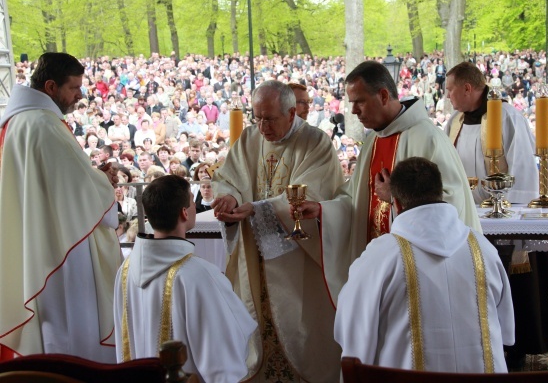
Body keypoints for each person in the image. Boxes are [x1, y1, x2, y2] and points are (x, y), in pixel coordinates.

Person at [297, 60, 480, 305]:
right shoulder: (373, 142)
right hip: (378, 268)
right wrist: (323, 210)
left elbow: (450, 203)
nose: (353, 111)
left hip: (420, 274)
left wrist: (394, 196)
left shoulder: (427, 138)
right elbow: (353, 199)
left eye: (359, 101)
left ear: (383, 95)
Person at [211, 80, 344, 382]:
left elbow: (313, 193)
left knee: (299, 326)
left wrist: (257, 208)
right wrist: (230, 197)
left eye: (269, 118)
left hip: (297, 260)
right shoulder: (248, 140)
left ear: (292, 112)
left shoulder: (316, 143)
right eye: (256, 117)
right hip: (255, 255)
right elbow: (228, 178)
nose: (262, 126)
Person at [334, 157, 514, 372]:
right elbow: (506, 329)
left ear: (397, 202)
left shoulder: (380, 256)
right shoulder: (483, 249)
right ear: (440, 192)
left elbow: (352, 331)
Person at [0, 52, 121, 361]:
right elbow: (79, 189)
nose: (79, 95)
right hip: (61, 247)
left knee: (51, 328)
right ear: (51, 86)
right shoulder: (43, 124)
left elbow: (61, 182)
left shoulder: (22, 121)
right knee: (69, 329)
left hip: (42, 236)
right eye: (73, 88)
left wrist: (94, 177)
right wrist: (104, 182)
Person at [114, 175, 256, 381]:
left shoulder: (125, 269)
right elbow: (224, 356)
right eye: (191, 201)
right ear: (184, 212)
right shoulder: (197, 275)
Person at [444, 61, 538, 205]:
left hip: (501, 211)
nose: (447, 96)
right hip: (463, 209)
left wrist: (510, 207)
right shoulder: (455, 120)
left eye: (450, 90)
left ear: (467, 89)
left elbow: (522, 166)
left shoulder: (507, 116)